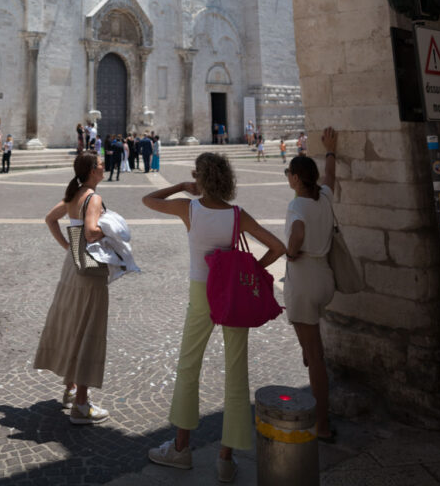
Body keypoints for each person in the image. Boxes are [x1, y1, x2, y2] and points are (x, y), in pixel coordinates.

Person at [142, 152, 284, 481]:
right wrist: (250, 270)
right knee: (236, 371)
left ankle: (180, 448)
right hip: (233, 294)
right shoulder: (237, 215)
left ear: (201, 179)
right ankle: (225, 458)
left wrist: (180, 185)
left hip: (201, 291)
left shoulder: (188, 208)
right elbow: (278, 247)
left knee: (188, 365)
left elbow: (148, 199)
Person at [34, 152, 110, 425]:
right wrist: (113, 231)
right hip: (90, 269)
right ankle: (81, 405)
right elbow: (90, 232)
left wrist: (68, 246)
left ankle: (70, 388)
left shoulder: (74, 193)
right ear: (92, 170)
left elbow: (50, 219)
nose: (105, 167)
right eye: (101, 165)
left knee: (72, 322)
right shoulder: (93, 198)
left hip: (72, 265)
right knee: (89, 327)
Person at [284, 128, 337, 443]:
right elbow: (330, 176)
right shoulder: (325, 197)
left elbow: (297, 236)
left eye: (289, 173)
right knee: (309, 343)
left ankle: (322, 425)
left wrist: (291, 253)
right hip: (325, 278)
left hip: (303, 281)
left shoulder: (297, 206)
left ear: (295, 179)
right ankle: (308, 353)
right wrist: (331, 150)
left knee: (314, 355)